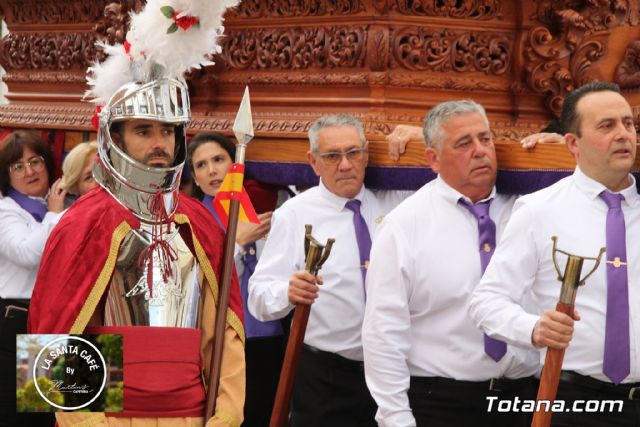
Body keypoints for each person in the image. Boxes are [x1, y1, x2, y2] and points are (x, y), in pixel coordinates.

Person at [27, 2, 245, 426]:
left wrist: (226, 416)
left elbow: (225, 335)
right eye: (144, 130)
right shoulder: (82, 222)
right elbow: (55, 342)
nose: (159, 142)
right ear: (116, 137)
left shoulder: (197, 223)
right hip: (113, 419)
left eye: (167, 130)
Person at [468, 81, 640, 426]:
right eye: (606, 126)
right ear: (572, 143)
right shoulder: (539, 210)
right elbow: (486, 302)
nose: (623, 134)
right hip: (572, 402)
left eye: (629, 123)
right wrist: (534, 328)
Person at [362, 100, 539, 427]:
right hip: (440, 403)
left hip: (522, 399)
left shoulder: (529, 210)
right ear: (433, 159)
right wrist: (396, 418)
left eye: (485, 139)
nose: (480, 150)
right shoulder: (405, 225)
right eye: (463, 143)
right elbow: (383, 332)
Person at [248, 114, 411, 427]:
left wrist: (418, 133)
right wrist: (287, 291)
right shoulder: (294, 215)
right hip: (328, 379)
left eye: (353, 153)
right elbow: (258, 297)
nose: (346, 165)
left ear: (366, 153)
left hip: (399, 370)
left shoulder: (397, 201)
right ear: (313, 161)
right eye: (333, 156)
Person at [187, 132, 285, 427]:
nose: (212, 170)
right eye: (201, 165)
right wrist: (239, 245)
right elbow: (197, 284)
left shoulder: (261, 208)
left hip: (266, 330)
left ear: (236, 164)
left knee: (265, 413)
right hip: (219, 334)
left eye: (219, 160)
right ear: (194, 176)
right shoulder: (192, 219)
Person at [0, 131, 66, 427]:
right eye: (17, 166)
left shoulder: (62, 205)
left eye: (35, 161)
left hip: (59, 317)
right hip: (18, 319)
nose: (29, 171)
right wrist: (54, 215)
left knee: (66, 413)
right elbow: (26, 253)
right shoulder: (5, 209)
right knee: (28, 418)